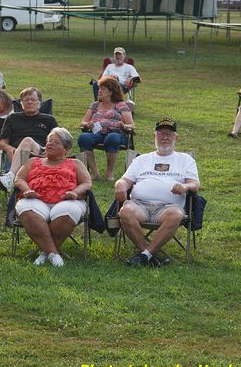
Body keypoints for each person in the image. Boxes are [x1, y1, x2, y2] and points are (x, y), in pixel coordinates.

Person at [114, 117, 200, 267]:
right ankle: (149, 255)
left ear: (176, 137)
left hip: (168, 208)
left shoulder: (185, 159)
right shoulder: (141, 160)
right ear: (155, 136)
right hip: (139, 205)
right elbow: (125, 180)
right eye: (161, 133)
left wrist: (185, 187)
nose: (165, 137)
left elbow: (195, 184)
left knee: (176, 215)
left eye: (169, 134)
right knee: (125, 211)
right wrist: (120, 185)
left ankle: (145, 255)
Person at [14, 127, 92, 267]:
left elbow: (87, 183)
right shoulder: (33, 162)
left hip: (67, 200)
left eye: (56, 142)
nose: (50, 144)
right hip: (36, 199)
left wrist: (74, 192)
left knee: (69, 211)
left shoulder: (75, 164)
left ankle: (46, 253)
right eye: (49, 141)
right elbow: (19, 179)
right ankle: (54, 254)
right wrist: (27, 190)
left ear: (66, 149)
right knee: (27, 211)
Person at [0, 87, 58, 193]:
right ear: (21, 103)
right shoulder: (12, 118)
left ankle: (10, 177)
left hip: (41, 154)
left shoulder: (49, 119)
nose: (29, 102)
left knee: (27, 141)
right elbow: (2, 142)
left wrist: (49, 151)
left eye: (33, 100)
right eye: (26, 100)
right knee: (25, 144)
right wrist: (8, 148)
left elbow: (59, 140)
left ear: (39, 102)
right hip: (16, 154)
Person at [78, 76, 134, 181]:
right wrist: (87, 124)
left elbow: (131, 125)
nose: (99, 91)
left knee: (112, 138)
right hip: (97, 133)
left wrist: (123, 125)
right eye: (99, 88)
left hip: (116, 133)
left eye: (103, 89)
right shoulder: (95, 105)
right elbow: (83, 122)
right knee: (84, 137)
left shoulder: (121, 105)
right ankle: (95, 173)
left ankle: (109, 173)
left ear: (111, 91)